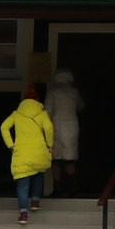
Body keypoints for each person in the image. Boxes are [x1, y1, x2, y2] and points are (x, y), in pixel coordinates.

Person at [1, 88, 55, 224]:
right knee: (38, 173)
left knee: (22, 185)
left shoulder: (16, 114)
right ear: (37, 100)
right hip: (39, 150)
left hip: (22, 152)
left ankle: (23, 213)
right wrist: (49, 144)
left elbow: (4, 127)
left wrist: (11, 145)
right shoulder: (42, 114)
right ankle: (35, 201)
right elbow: (49, 128)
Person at [45, 67, 83, 195]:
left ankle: (57, 188)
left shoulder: (53, 91)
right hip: (72, 128)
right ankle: (73, 188)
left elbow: (47, 111)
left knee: (56, 160)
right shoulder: (74, 92)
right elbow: (81, 106)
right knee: (70, 159)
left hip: (56, 127)